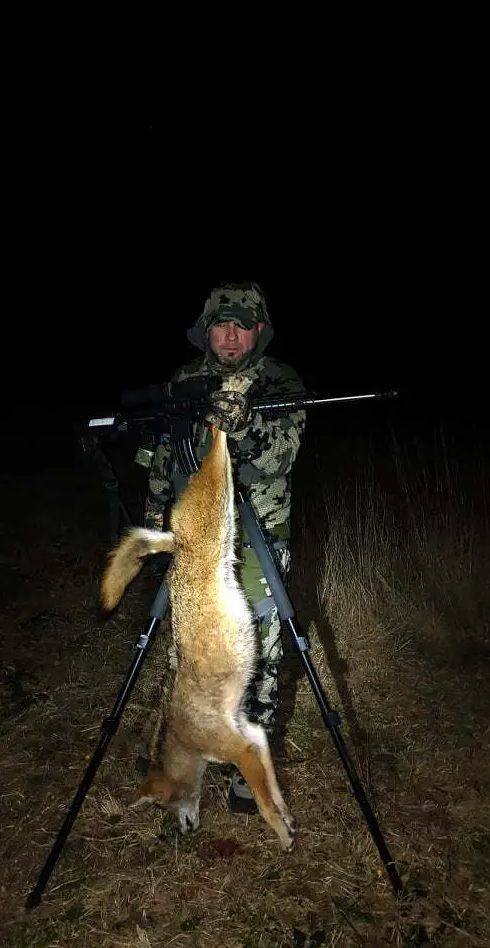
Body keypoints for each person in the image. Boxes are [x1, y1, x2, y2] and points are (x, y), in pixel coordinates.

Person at [141, 281, 307, 813]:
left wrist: (245, 421)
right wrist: (152, 512)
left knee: (260, 647)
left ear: (258, 331)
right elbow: (164, 456)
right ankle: (185, 755)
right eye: (221, 325)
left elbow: (279, 456)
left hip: (257, 530)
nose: (230, 337)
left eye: (241, 326)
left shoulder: (279, 380)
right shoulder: (185, 380)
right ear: (206, 331)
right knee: (186, 652)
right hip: (197, 538)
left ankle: (246, 770)